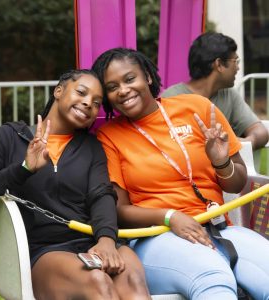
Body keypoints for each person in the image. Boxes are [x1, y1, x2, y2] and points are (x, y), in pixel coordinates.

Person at [92, 48, 269, 299]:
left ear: (148, 77)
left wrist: (221, 162)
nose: (122, 90)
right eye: (112, 86)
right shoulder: (109, 135)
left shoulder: (196, 107)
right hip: (156, 238)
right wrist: (170, 217)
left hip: (219, 229)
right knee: (213, 278)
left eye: (130, 79)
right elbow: (119, 210)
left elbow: (235, 184)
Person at [0, 69, 151, 300]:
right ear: (58, 91)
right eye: (81, 93)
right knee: (97, 282)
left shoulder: (91, 147)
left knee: (133, 279)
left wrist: (107, 241)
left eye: (96, 103)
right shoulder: (8, 137)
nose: (88, 104)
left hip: (93, 241)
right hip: (46, 251)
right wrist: (23, 169)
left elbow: (102, 195)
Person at [161, 32, 268, 151]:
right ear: (219, 64)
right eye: (235, 61)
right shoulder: (171, 98)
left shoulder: (229, 94)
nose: (238, 68)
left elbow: (261, 132)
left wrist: (246, 143)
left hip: (225, 168)